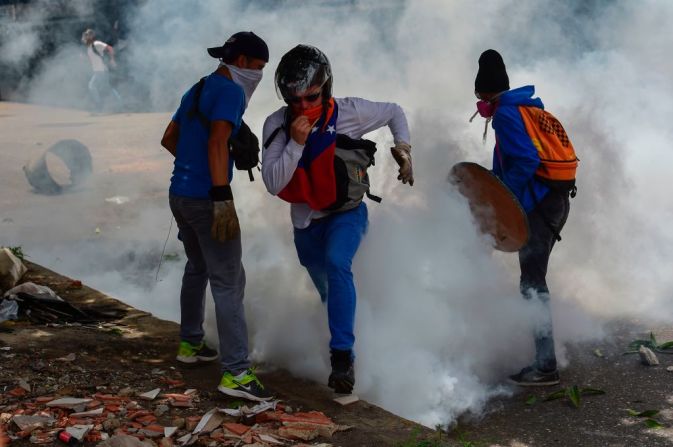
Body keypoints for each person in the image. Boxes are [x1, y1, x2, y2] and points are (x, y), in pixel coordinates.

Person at [261, 45, 413, 394]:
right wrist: (296, 144)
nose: (303, 106)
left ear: (326, 88)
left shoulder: (350, 112)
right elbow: (273, 182)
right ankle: (353, 328)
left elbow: (394, 111)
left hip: (347, 213)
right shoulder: (277, 124)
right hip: (305, 224)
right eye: (294, 99)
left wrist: (405, 150)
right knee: (328, 288)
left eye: (311, 97)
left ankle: (343, 357)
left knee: (337, 263)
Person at [160, 31, 272, 401]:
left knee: (198, 267)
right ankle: (237, 372)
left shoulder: (198, 88)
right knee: (228, 280)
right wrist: (220, 194)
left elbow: (169, 138)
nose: (258, 74)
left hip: (180, 194)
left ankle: (190, 344)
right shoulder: (229, 92)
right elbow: (216, 140)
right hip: (208, 200)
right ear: (240, 61)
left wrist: (192, 171)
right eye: (257, 67)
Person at [472, 49, 577, 386]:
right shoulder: (528, 109)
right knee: (533, 280)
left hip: (541, 206)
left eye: (480, 97)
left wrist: (501, 197)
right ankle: (544, 359)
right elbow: (508, 164)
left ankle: (546, 367)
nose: (480, 104)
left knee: (533, 284)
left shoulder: (505, 114)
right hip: (555, 201)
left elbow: (526, 162)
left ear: (486, 94)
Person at [81, 29, 122, 113]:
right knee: (107, 88)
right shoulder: (88, 48)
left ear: (91, 36)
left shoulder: (96, 44)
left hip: (102, 71)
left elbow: (110, 48)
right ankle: (119, 102)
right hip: (98, 71)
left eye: (87, 35)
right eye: (85, 35)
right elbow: (93, 60)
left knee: (92, 86)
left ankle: (99, 106)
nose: (85, 37)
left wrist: (112, 60)